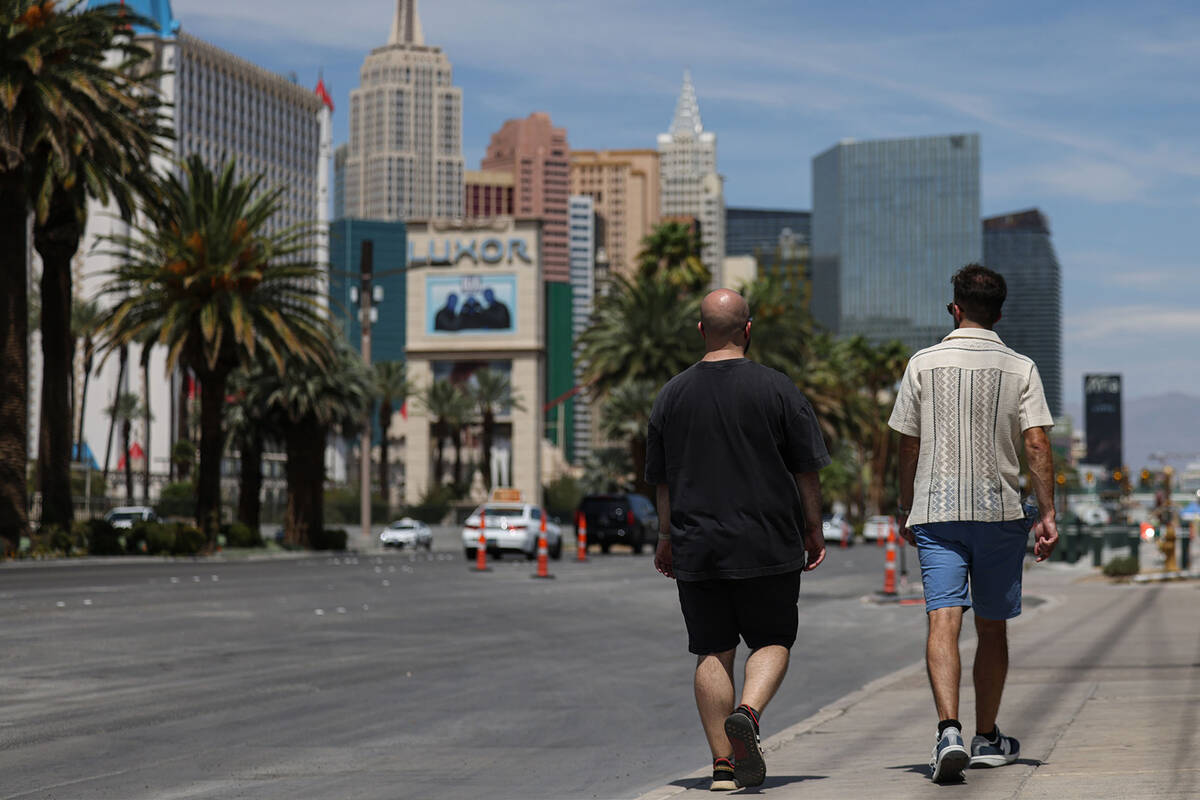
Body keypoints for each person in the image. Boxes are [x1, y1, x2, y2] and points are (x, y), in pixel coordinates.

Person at [646, 289, 830, 791]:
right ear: (747, 330)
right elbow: (806, 469)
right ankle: (747, 713)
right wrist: (813, 528)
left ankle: (722, 768)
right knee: (772, 640)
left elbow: (661, 480)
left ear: (701, 331)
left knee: (711, 650)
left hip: (696, 542)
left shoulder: (671, 395)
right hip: (769, 540)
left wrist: (665, 537)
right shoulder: (778, 389)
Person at [887, 264, 1059, 784]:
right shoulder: (1020, 367)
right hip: (1000, 512)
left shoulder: (922, 364)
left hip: (937, 512)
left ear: (954, 308)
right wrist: (1047, 512)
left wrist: (904, 504)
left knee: (943, 618)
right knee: (991, 625)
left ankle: (948, 731)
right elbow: (1036, 443)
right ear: (1000, 313)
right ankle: (988, 736)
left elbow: (909, 443)